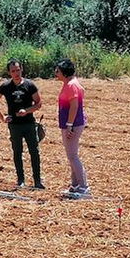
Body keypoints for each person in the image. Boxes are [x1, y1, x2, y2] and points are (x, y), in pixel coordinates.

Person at [0, 59, 44, 189]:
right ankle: (21, 180)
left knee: (34, 152)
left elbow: (39, 104)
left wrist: (26, 111)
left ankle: (37, 181)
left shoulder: (30, 85)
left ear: (22, 69)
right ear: (9, 72)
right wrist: (2, 117)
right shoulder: (5, 86)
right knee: (17, 152)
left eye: (18, 70)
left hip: (29, 124)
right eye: (13, 71)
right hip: (14, 125)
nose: (16, 73)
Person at [55, 59, 90, 199]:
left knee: (73, 156)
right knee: (71, 155)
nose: (56, 73)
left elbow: (74, 106)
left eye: (58, 71)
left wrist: (69, 125)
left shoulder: (71, 85)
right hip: (71, 124)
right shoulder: (70, 84)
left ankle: (83, 187)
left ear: (64, 72)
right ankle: (75, 185)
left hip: (73, 125)